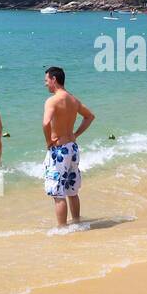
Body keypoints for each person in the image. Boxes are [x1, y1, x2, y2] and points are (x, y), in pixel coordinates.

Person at [42, 66, 95, 227]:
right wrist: (76, 134)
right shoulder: (73, 100)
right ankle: (77, 222)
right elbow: (90, 116)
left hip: (59, 150)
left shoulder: (52, 101)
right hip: (72, 148)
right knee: (72, 191)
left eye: (46, 80)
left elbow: (45, 123)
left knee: (58, 193)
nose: (46, 84)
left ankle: (62, 228)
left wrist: (48, 142)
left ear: (54, 79)